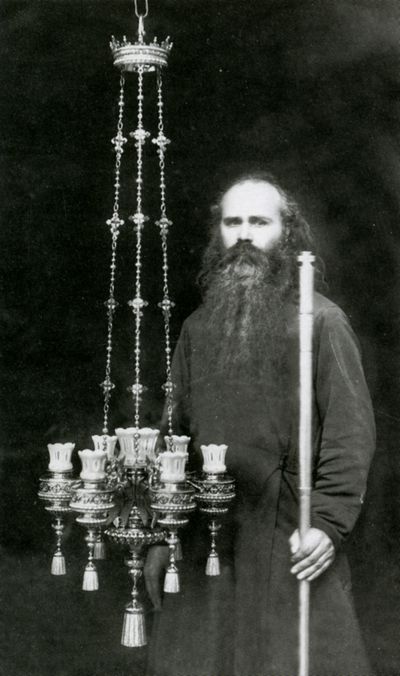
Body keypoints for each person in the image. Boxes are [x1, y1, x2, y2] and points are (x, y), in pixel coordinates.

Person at [144, 170, 376, 676]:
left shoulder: (322, 322)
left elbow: (350, 434)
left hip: (290, 530)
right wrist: (160, 534)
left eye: (259, 222)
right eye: (233, 222)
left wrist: (328, 524)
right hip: (207, 534)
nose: (245, 234)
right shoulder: (197, 327)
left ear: (286, 234)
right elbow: (171, 438)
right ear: (219, 232)